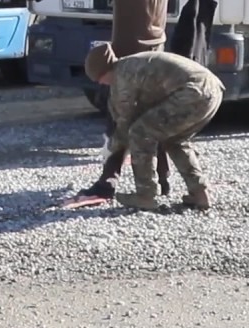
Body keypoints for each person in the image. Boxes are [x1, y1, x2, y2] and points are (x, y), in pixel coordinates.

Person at [33, 0, 208, 130]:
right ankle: (149, 147)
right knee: (149, 103)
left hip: (129, 55)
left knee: (122, 108)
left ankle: (118, 150)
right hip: (157, 54)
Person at [85, 43, 224, 211]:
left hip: (191, 93)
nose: (103, 84)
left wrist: (111, 147)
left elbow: (125, 121)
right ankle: (200, 193)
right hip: (212, 91)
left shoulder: (122, 74)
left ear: (105, 71)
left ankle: (145, 195)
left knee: (139, 133)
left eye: (100, 79)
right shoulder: (132, 64)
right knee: (175, 140)